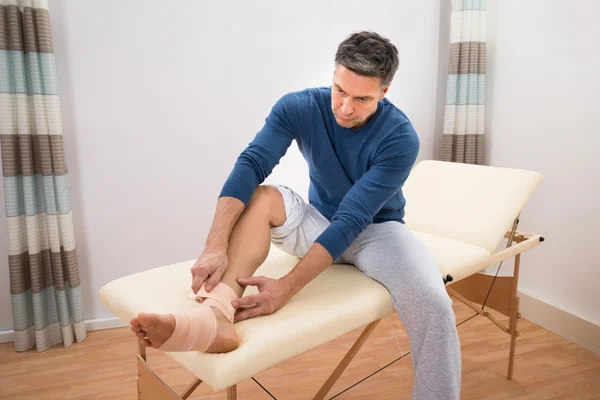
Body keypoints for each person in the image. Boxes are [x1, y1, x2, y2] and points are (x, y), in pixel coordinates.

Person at [130, 31, 461, 399]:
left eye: (362, 98)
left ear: (385, 92)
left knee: (433, 302)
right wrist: (215, 244)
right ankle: (218, 316)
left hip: (376, 232)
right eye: (340, 91)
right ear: (333, 74)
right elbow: (252, 163)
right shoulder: (299, 107)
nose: (346, 108)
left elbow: (352, 220)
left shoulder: (400, 138)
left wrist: (286, 288)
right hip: (318, 221)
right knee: (262, 197)